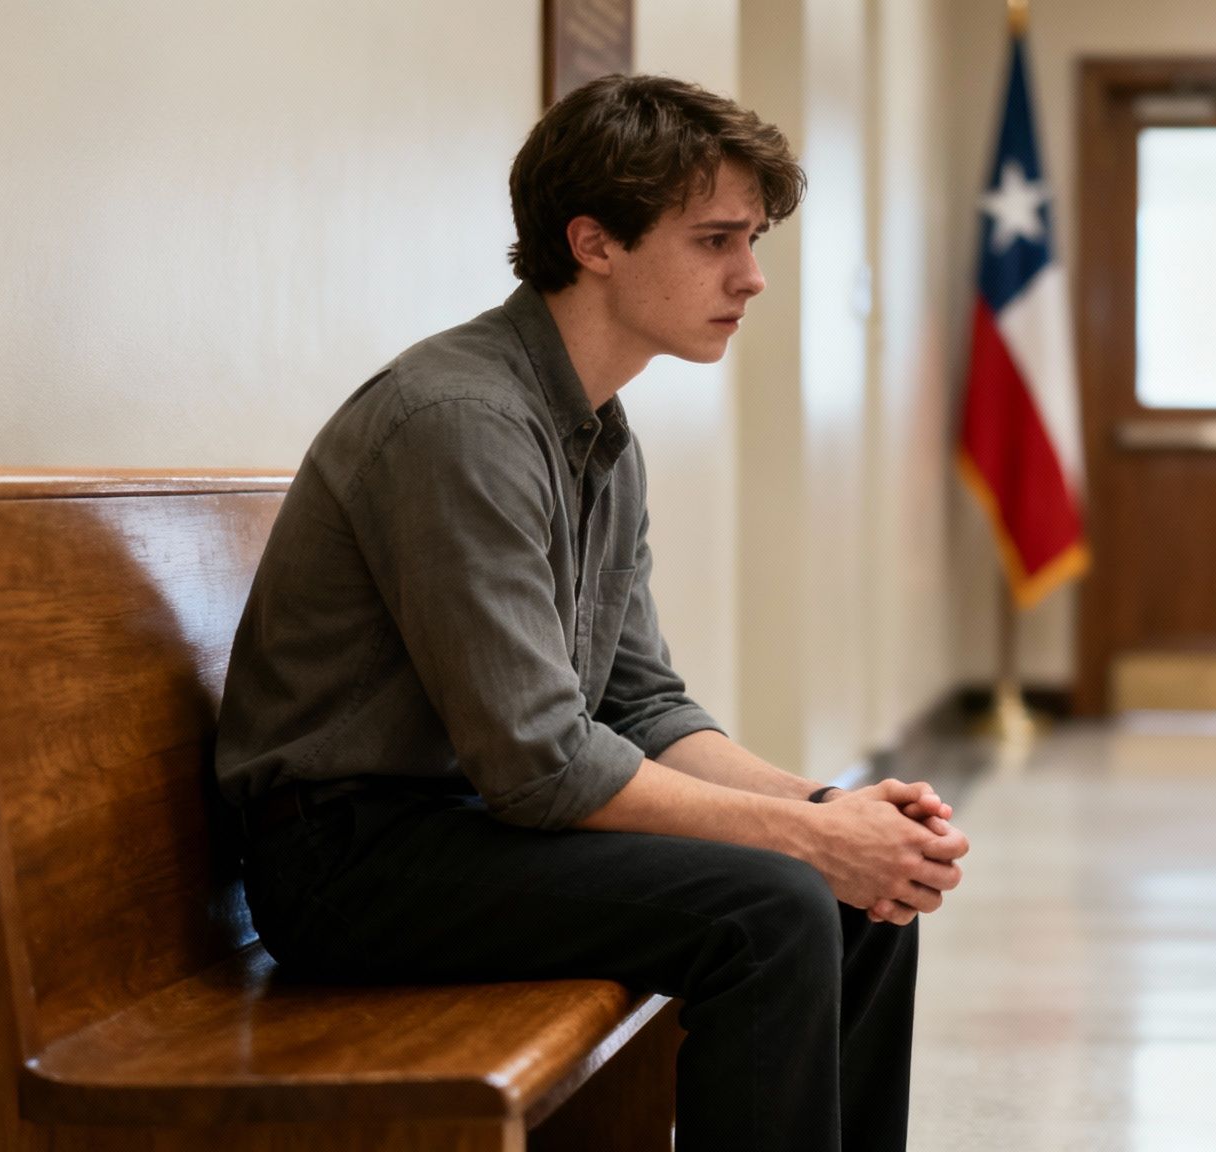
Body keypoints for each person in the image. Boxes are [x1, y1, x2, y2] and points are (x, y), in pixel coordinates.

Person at [213, 72, 970, 1152]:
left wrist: (831, 809)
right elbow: (540, 765)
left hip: (460, 827)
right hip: (348, 863)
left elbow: (638, 699)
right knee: (779, 905)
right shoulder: (459, 422)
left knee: (857, 897)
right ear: (594, 241)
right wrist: (808, 836)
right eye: (715, 239)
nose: (750, 278)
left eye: (751, 240)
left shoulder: (594, 430)